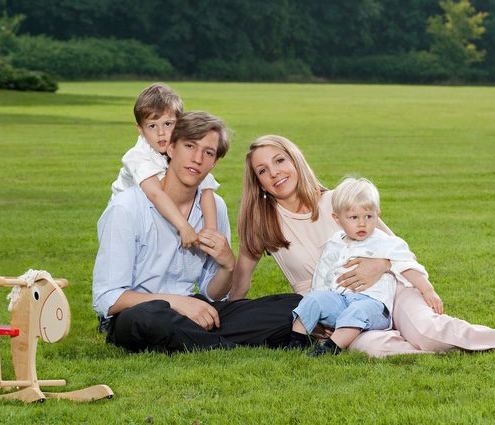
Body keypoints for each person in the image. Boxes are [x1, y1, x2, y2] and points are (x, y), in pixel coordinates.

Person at [233, 134, 495, 358]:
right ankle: (425, 342)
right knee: (378, 350)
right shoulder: (262, 223)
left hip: (389, 290)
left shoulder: (340, 201)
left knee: (430, 331)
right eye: (262, 170)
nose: (274, 173)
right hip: (338, 314)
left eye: (279, 160)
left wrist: (380, 266)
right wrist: (219, 285)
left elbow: (395, 247)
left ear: (295, 160)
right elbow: (239, 288)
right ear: (258, 182)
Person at [93, 113, 301, 353]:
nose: (197, 158)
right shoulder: (126, 208)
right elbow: (107, 298)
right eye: (190, 146)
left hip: (194, 310)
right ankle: (223, 346)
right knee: (147, 319)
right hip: (140, 312)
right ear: (170, 148)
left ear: (214, 163)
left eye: (208, 152)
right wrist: (177, 303)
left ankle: (196, 340)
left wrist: (227, 267)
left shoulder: (215, 206)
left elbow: (213, 295)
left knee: (294, 305)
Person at [290, 177, 429, 356]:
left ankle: (329, 349)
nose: (362, 223)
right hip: (341, 301)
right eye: (354, 217)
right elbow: (322, 276)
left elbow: (407, 264)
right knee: (313, 299)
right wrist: (320, 305)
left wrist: (427, 290)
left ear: (377, 215)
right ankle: (295, 341)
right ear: (337, 219)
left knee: (357, 311)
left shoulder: (386, 243)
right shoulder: (334, 244)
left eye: (368, 216)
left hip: (374, 306)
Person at [109, 83, 219, 249]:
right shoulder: (137, 156)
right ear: (140, 129)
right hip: (125, 220)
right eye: (152, 126)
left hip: (157, 211)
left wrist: (211, 232)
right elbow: (155, 193)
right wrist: (184, 226)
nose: (161, 133)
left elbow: (206, 186)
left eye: (168, 124)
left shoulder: (177, 148)